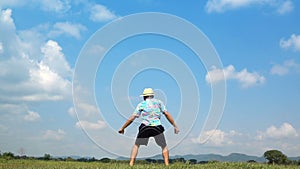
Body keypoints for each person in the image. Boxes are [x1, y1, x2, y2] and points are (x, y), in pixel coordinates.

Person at [118, 88, 179, 166]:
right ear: (152, 96)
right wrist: (175, 126)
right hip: (157, 126)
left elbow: (132, 117)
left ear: (144, 96)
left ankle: (131, 164)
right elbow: (167, 114)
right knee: (164, 146)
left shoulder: (141, 104)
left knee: (136, 145)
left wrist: (123, 128)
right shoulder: (159, 103)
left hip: (145, 127)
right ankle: (167, 165)